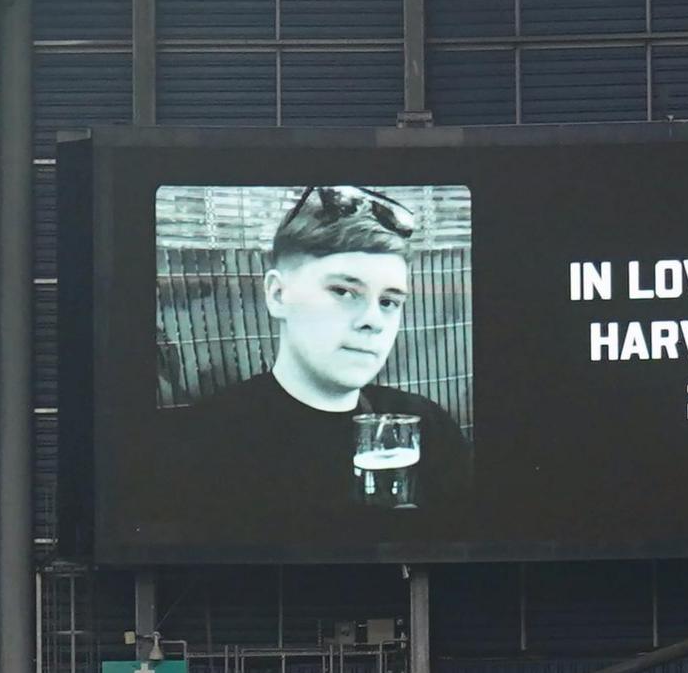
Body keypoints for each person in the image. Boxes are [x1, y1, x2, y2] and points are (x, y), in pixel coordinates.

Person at [164, 184, 470, 518]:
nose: (373, 321)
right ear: (278, 294)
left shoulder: (427, 426)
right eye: (343, 291)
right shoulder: (209, 440)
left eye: (388, 302)